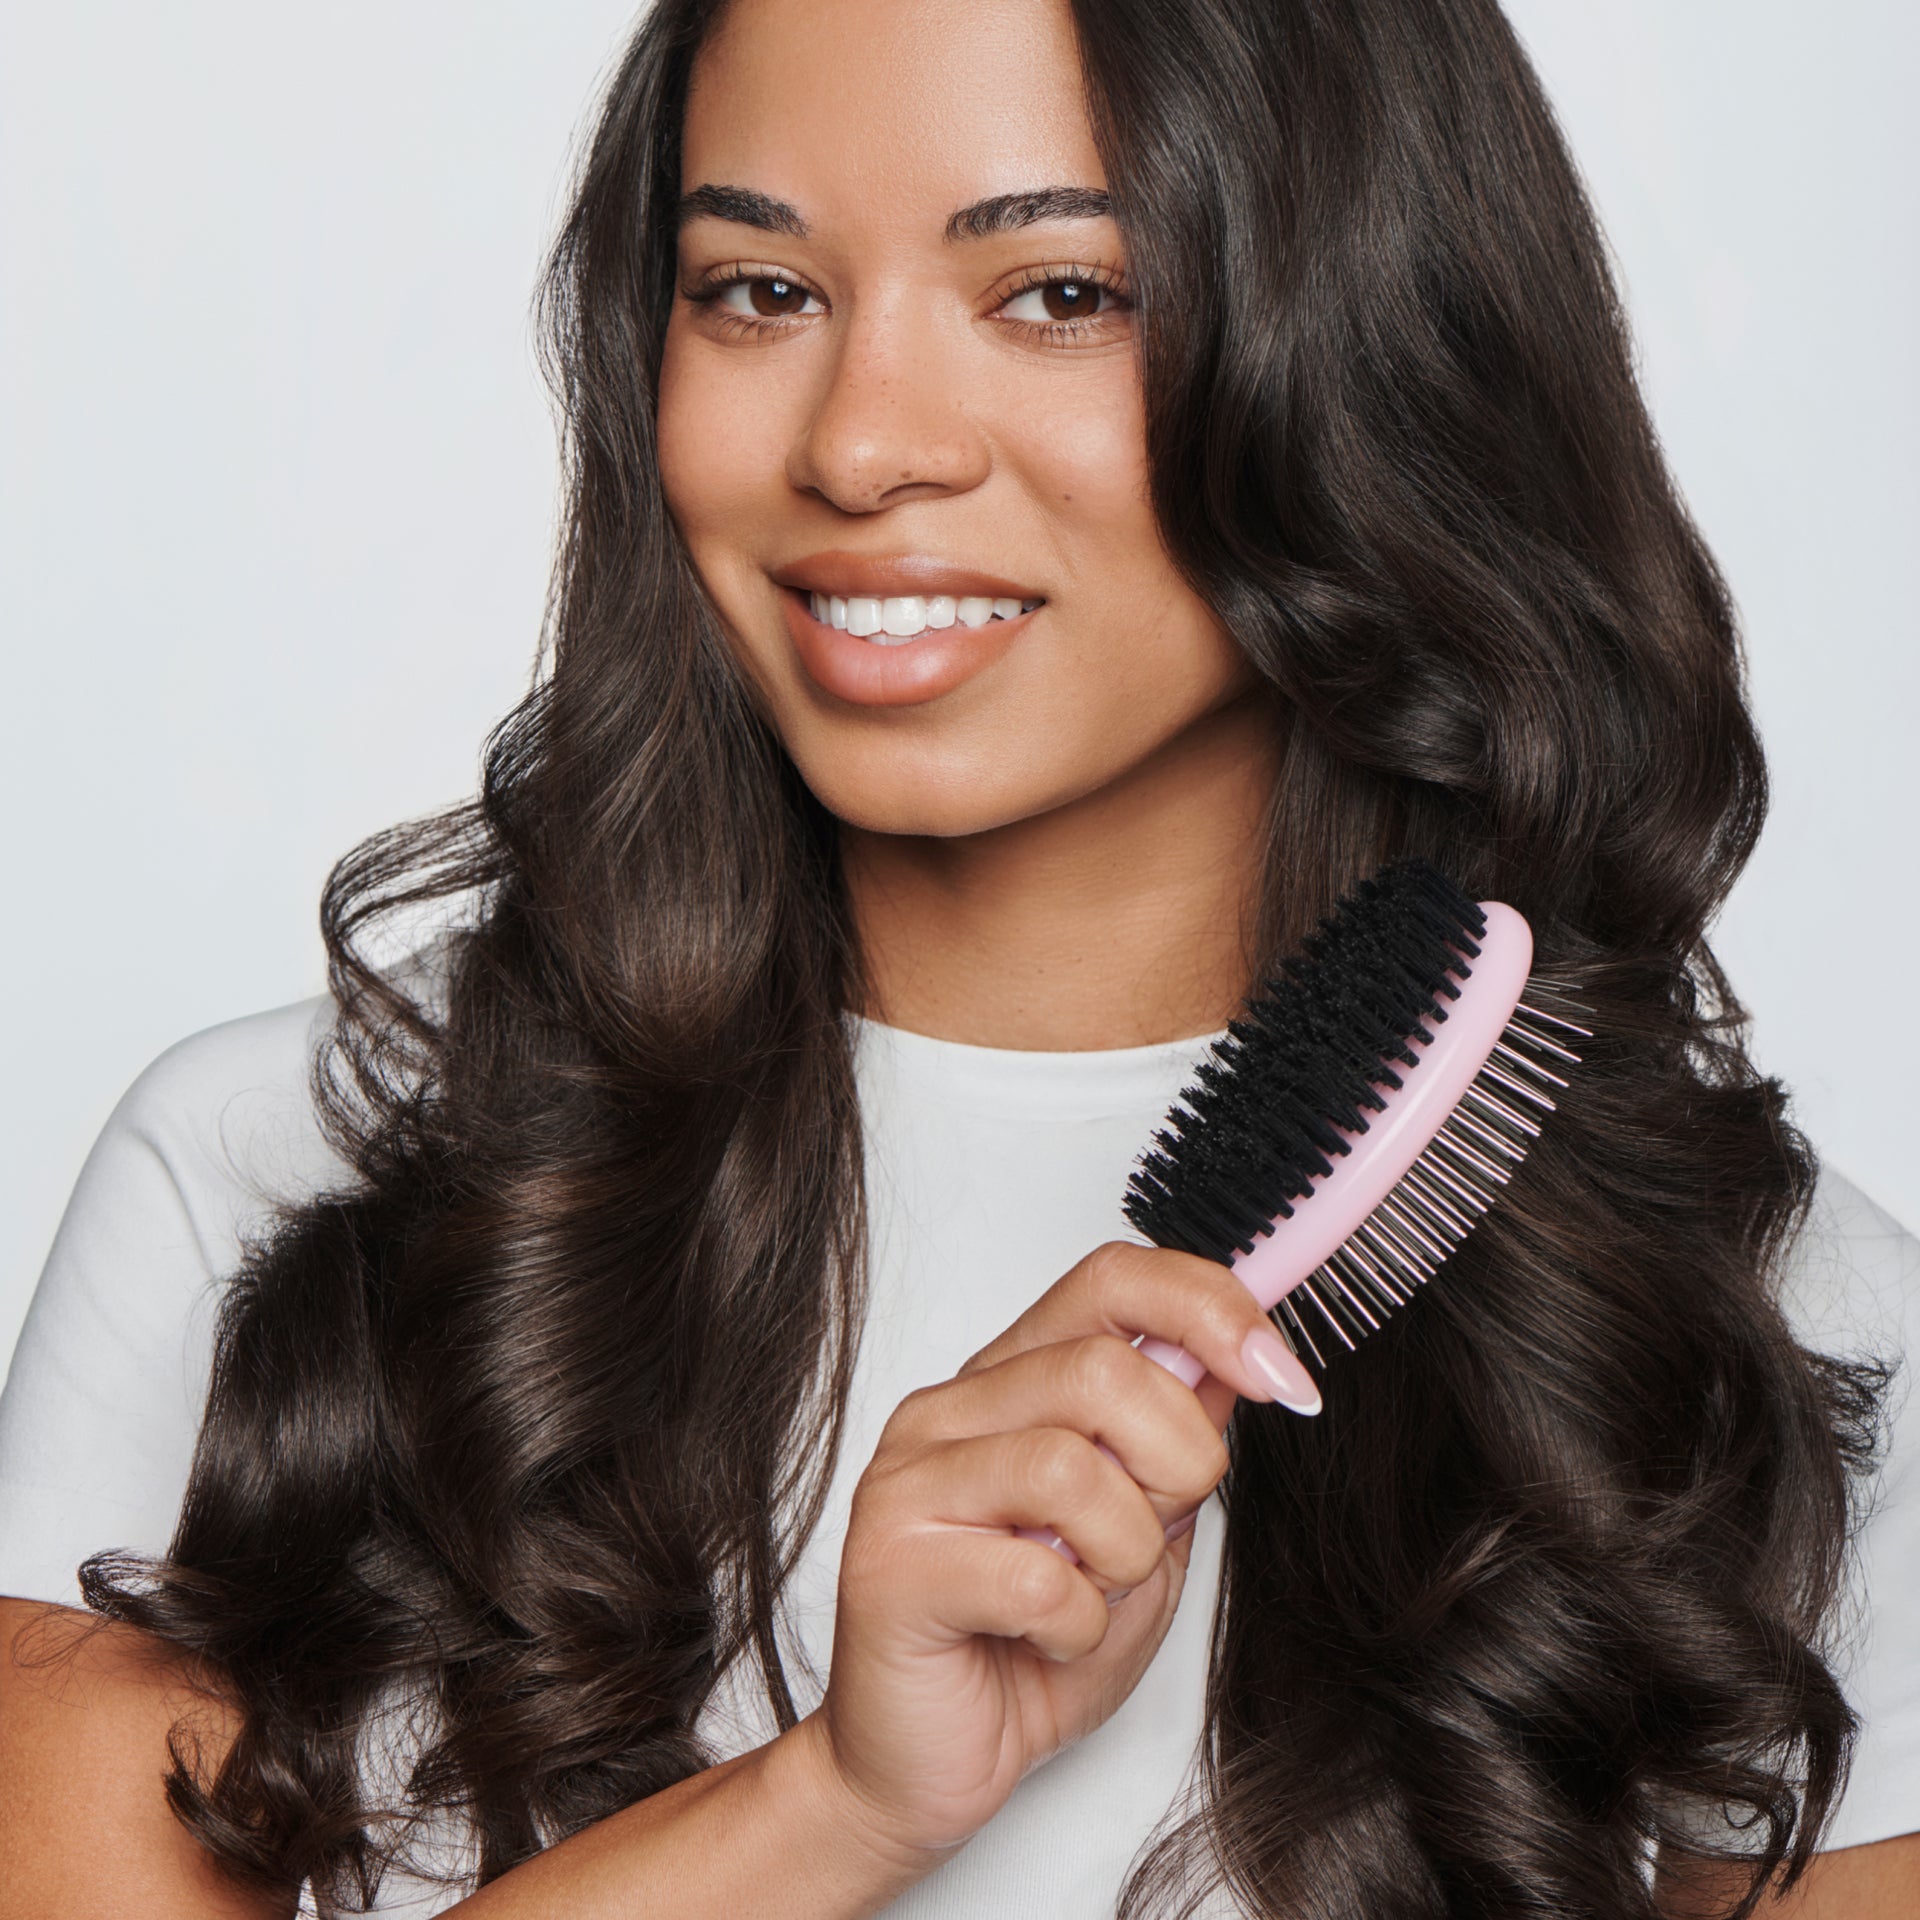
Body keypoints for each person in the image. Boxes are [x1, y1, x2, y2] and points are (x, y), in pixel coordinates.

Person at [2, 0, 1915, 1913]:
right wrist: (834, 1804)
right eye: (759, 290)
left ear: (1374, 350)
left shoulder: (1776, 1334)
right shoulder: (276, 1185)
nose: (861, 445)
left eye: (1063, 295)